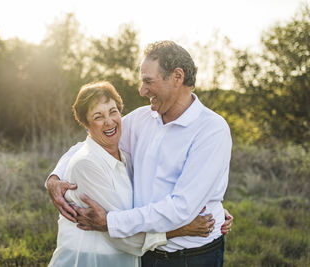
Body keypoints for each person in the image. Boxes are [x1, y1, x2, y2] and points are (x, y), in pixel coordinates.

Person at [47, 41, 233, 267]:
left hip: (190, 256)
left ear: (177, 77)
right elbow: (91, 144)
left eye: (148, 81)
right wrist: (55, 178)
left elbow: (181, 209)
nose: (142, 90)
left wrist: (111, 222)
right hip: (142, 253)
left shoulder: (211, 130)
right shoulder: (142, 119)